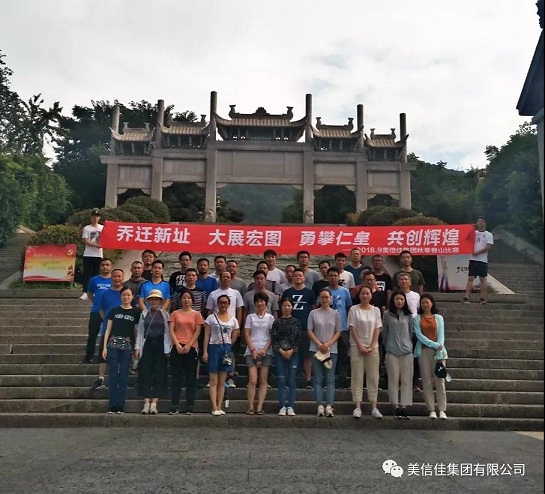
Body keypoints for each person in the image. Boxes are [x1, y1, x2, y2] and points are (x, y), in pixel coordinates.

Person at [101, 287, 139, 414]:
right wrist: (104, 347)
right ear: (120, 296)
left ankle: (120, 405)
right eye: (124, 295)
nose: (126, 297)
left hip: (127, 346)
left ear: (132, 297)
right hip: (113, 344)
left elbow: (136, 331)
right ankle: (112, 404)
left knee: (123, 375)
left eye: (128, 295)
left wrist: (136, 347)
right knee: (113, 375)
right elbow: (108, 330)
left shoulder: (135, 312)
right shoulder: (114, 311)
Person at [347, 285, 383, 419]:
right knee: (357, 376)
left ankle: (374, 406)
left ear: (371, 295)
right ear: (359, 295)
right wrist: (360, 345)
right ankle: (357, 406)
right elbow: (352, 328)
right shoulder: (354, 309)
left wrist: (372, 345)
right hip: (356, 346)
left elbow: (378, 328)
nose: (365, 296)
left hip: (373, 347)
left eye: (367, 293)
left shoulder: (376, 310)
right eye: (363, 293)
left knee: (373, 376)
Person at [413, 293, 448, 420]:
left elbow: (441, 334)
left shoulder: (439, 318)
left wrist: (439, 347)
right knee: (427, 381)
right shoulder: (417, 319)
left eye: (427, 302)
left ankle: (442, 409)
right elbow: (419, 336)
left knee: (440, 380)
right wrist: (434, 344)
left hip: (439, 352)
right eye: (422, 303)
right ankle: (431, 409)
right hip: (424, 351)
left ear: (431, 303)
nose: (425, 305)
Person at [135, 290, 171, 415]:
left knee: (159, 372)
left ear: (160, 301)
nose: (154, 301)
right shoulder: (144, 313)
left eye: (156, 299)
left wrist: (168, 348)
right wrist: (137, 347)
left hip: (160, 344)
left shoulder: (165, 314)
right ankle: (146, 403)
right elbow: (140, 331)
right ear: (148, 301)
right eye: (152, 299)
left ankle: (154, 403)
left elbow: (167, 332)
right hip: (147, 344)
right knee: (145, 372)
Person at [203, 294, 240, 415]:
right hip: (214, 347)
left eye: (225, 302)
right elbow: (206, 336)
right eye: (221, 302)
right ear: (217, 304)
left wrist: (228, 345)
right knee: (213, 380)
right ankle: (214, 406)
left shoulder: (233, 320)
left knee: (222, 380)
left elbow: (235, 334)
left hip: (226, 349)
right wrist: (205, 351)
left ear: (229, 304)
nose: (223, 304)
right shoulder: (211, 318)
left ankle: (219, 405)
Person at [308, 289, 342, 417]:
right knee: (317, 378)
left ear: (331, 298)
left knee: (330, 379)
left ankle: (329, 406)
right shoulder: (313, 313)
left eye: (327, 297)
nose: (325, 299)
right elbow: (310, 330)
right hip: (316, 349)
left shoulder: (335, 314)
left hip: (331, 350)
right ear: (319, 299)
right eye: (322, 297)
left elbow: (338, 331)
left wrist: (328, 344)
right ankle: (319, 405)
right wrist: (319, 344)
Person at [168, 291, 203, 415]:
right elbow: (171, 330)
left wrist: (189, 345)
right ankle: (174, 404)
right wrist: (177, 344)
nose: (186, 300)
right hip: (177, 347)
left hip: (191, 348)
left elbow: (197, 332)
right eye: (184, 297)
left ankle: (189, 404)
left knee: (190, 378)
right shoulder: (175, 314)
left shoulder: (197, 314)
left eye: (189, 298)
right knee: (176, 378)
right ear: (180, 300)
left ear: (192, 300)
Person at [281, 268, 316, 390]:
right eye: (296, 276)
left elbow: (314, 309)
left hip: (305, 327)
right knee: (289, 354)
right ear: (292, 277)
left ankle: (308, 379)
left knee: (306, 355)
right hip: (289, 327)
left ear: (304, 278)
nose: (298, 278)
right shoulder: (287, 292)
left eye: (300, 276)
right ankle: (289, 380)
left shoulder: (309, 293)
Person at [381, 290, 414, 419]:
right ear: (393, 300)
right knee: (393, 379)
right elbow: (384, 333)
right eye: (397, 299)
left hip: (407, 351)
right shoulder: (386, 314)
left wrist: (407, 344)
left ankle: (404, 406)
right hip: (392, 351)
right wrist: (388, 346)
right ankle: (395, 406)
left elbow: (411, 332)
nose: (399, 301)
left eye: (402, 299)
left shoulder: (409, 315)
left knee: (406, 380)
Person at [244, 292, 274, 415]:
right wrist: (252, 349)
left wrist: (265, 349)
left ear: (266, 303)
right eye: (258, 301)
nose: (260, 303)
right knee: (252, 380)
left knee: (263, 380)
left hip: (266, 350)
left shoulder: (270, 318)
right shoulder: (250, 317)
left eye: (262, 301)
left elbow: (272, 335)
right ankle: (250, 406)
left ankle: (259, 407)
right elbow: (246, 334)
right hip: (252, 349)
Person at [94, 268, 125, 389]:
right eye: (115, 276)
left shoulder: (126, 293)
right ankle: (101, 378)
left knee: (121, 354)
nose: (117, 279)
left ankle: (119, 378)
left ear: (123, 278)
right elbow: (101, 309)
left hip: (122, 329)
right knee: (103, 353)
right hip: (107, 328)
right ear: (111, 278)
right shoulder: (105, 293)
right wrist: (107, 321)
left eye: (119, 276)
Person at [271, 299, 302, 416]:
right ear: (281, 307)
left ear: (292, 307)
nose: (287, 308)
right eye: (285, 306)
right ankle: (282, 405)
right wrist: (281, 350)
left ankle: (291, 406)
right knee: (281, 379)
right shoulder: (277, 322)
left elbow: (299, 339)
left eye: (289, 306)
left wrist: (291, 350)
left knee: (292, 379)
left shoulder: (297, 322)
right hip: (279, 353)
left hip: (293, 353)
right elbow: (274, 339)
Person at [325, 267, 353, 389]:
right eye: (331, 275)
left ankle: (342, 380)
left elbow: (348, 308)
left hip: (343, 328)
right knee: (327, 355)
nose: (333, 278)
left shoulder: (345, 291)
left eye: (335, 275)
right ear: (327, 277)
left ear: (339, 277)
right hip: (328, 328)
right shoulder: (325, 291)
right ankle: (328, 380)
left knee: (343, 355)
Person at [83, 258, 112, 366]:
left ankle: (106, 356)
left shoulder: (114, 279)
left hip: (109, 311)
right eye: (103, 265)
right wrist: (97, 302)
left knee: (108, 335)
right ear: (100, 267)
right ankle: (88, 356)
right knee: (92, 334)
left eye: (107, 265)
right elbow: (90, 293)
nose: (105, 267)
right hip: (96, 310)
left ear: (111, 267)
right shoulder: (94, 280)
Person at [463, 216, 494, 304]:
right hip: (472, 259)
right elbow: (466, 238)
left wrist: (478, 252)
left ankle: (483, 297)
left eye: (482, 221)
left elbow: (488, 246)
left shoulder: (488, 234)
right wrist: (471, 229)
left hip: (482, 260)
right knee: (470, 278)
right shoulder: (474, 233)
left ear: (485, 223)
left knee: (483, 279)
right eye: (479, 221)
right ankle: (466, 296)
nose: (480, 223)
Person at [80, 208, 104, 300]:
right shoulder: (87, 228)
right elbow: (85, 240)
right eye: (94, 216)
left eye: (97, 216)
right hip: (88, 254)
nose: (95, 218)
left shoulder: (102, 228)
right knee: (87, 273)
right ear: (91, 217)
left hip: (98, 254)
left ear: (99, 218)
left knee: (96, 273)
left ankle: (94, 291)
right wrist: (95, 245)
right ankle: (85, 291)